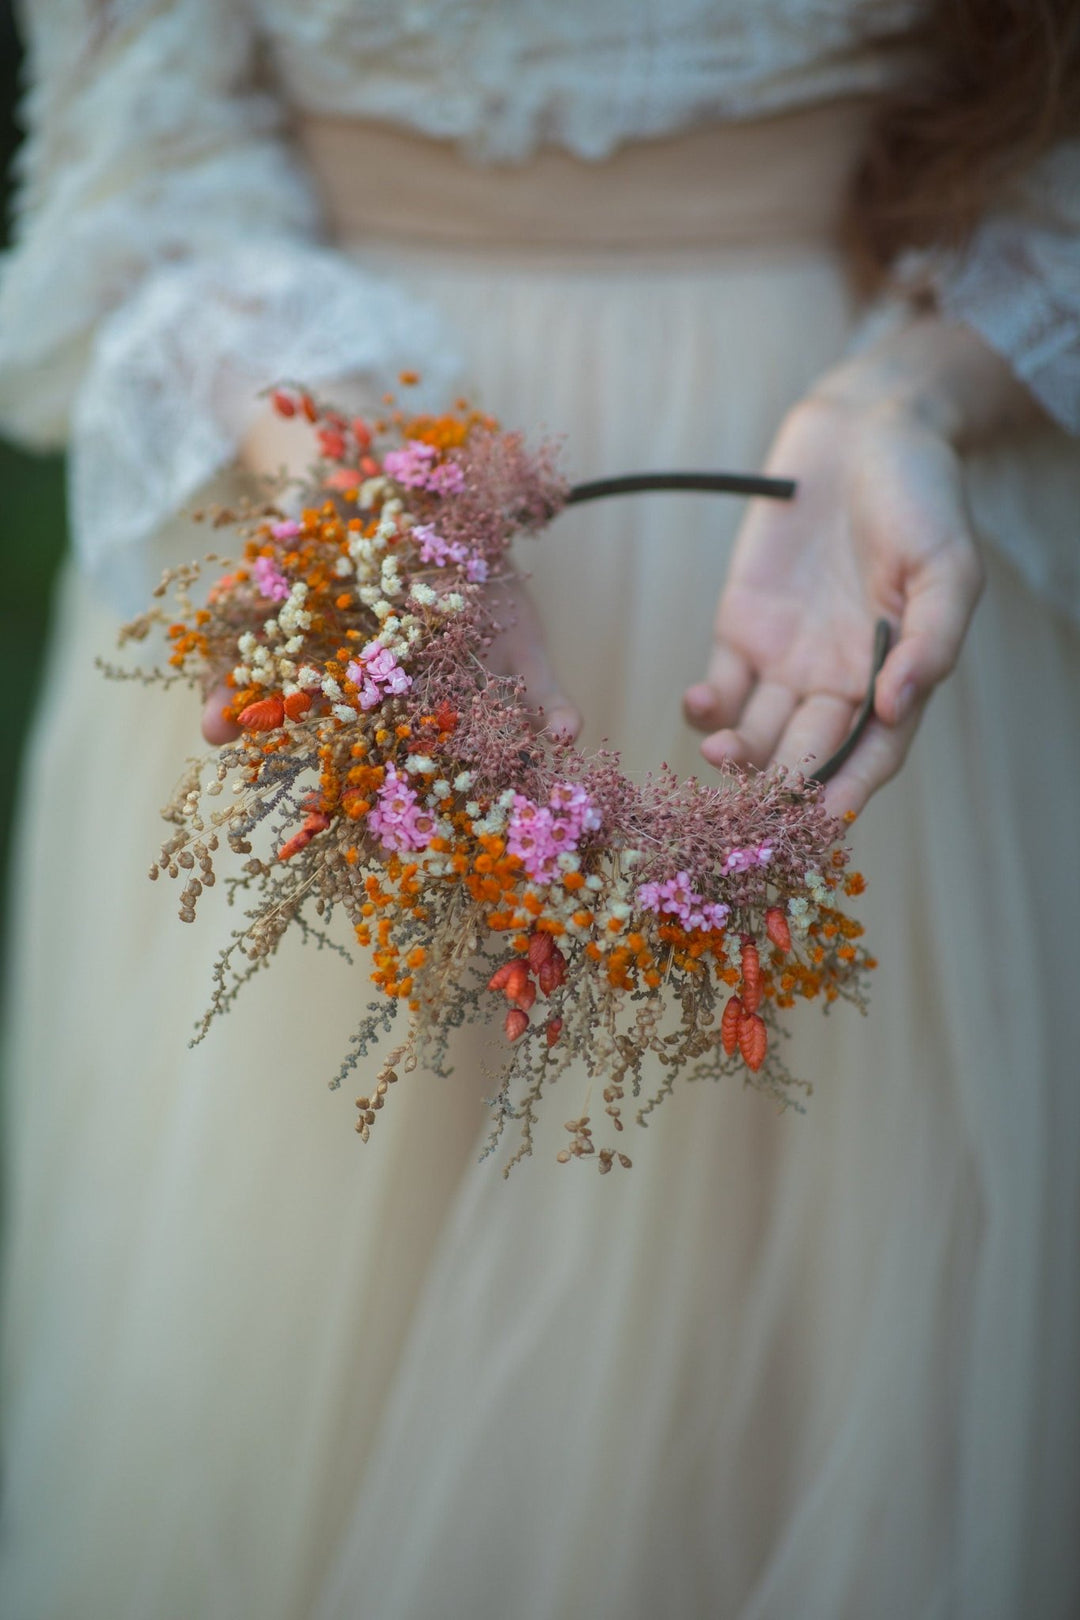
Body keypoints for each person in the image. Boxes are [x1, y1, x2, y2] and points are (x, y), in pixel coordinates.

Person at [1, 3, 1078, 1616]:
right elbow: (146, 173)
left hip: (856, 568)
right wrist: (369, 497)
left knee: (826, 1345)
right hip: (345, 516)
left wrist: (910, 396)